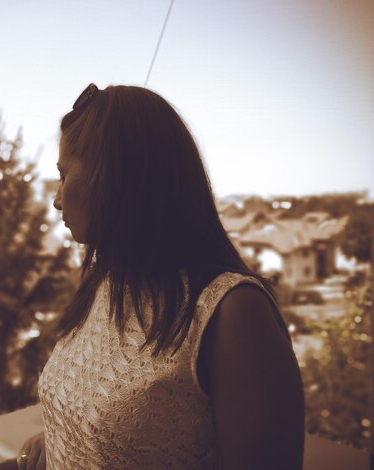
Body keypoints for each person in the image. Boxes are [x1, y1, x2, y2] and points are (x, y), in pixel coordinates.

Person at [16, 84, 305, 470]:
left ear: (117, 176)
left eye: (63, 175)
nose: (56, 198)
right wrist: (59, 437)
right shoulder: (107, 283)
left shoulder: (232, 313)